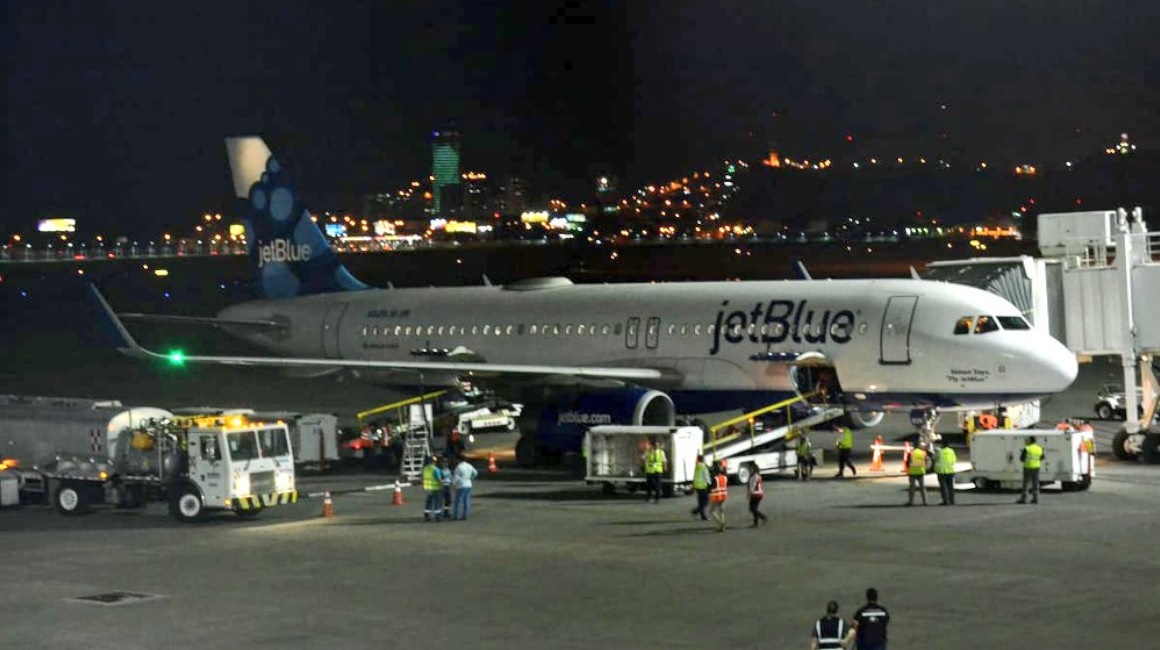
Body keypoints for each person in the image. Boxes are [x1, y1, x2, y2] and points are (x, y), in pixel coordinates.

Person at [1018, 435, 1045, 504]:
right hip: (1036, 467)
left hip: (1027, 467)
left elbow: (1022, 458)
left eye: (1027, 440)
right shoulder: (1039, 448)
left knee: (1026, 483)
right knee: (1035, 483)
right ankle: (1035, 498)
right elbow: (1042, 458)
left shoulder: (1027, 448)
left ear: (1030, 441)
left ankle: (1024, 498)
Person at [643, 437, 668, 503]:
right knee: (649, 485)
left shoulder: (661, 452)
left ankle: (657, 498)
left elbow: (664, 460)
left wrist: (665, 467)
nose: (657, 446)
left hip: (658, 470)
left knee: (657, 485)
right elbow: (642, 458)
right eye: (655, 445)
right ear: (653, 445)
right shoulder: (648, 452)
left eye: (658, 445)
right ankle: (649, 496)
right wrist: (642, 466)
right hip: (649, 470)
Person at [934, 440, 957, 505]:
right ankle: (952, 501)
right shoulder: (951, 451)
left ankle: (945, 501)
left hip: (941, 471)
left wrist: (935, 452)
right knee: (951, 487)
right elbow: (954, 460)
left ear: (942, 444)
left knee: (943, 487)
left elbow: (934, 458)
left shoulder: (939, 451)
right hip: (950, 471)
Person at [688, 454, 711, 521]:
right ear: (703, 460)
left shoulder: (697, 466)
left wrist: (693, 485)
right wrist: (709, 484)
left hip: (697, 486)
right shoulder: (703, 467)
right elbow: (706, 476)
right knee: (706, 501)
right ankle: (696, 511)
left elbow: (695, 476)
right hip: (703, 486)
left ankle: (702, 516)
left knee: (701, 502)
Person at [421, 455, 443, 522]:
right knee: (437, 502)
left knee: (429, 502)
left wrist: (423, 486)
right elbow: (439, 479)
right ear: (434, 462)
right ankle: (438, 516)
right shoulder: (435, 469)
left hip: (427, 488)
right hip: (435, 488)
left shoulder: (425, 468)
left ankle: (427, 515)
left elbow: (423, 478)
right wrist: (441, 486)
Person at [708, 464, 729, 532]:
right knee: (721, 510)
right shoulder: (725, 477)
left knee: (712, 511)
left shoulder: (715, 478)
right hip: (724, 495)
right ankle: (722, 525)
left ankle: (720, 523)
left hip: (716, 496)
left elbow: (711, 488)